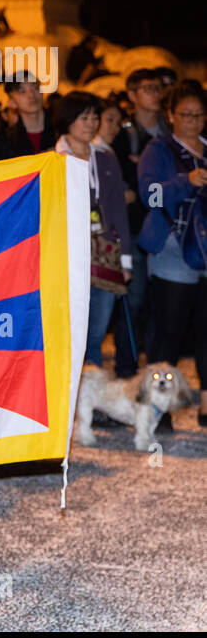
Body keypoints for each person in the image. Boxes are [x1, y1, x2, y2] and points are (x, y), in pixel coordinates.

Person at [137, 84, 207, 427]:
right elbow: (148, 196)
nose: (193, 122)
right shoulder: (159, 149)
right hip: (173, 249)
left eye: (199, 115)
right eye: (186, 115)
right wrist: (186, 180)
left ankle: (205, 404)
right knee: (170, 330)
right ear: (171, 115)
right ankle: (157, 407)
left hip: (205, 249)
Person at [54, 92, 132, 368]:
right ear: (67, 121)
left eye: (94, 117)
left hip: (105, 250)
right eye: (83, 117)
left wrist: (125, 261)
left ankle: (91, 401)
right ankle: (68, 402)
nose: (90, 123)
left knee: (97, 331)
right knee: (69, 331)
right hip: (66, 254)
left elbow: (118, 212)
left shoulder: (106, 158)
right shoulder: (53, 160)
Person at [112, 69, 167, 378]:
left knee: (161, 304)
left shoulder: (170, 132)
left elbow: (151, 189)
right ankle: (128, 371)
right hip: (133, 229)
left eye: (158, 87)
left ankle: (157, 371)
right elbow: (128, 189)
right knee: (133, 301)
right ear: (132, 94)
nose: (155, 93)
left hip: (164, 228)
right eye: (147, 88)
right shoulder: (123, 134)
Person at [1, 73, 55, 156]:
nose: (31, 95)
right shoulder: (6, 140)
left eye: (35, 88)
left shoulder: (61, 129)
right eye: (22, 92)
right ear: (11, 102)